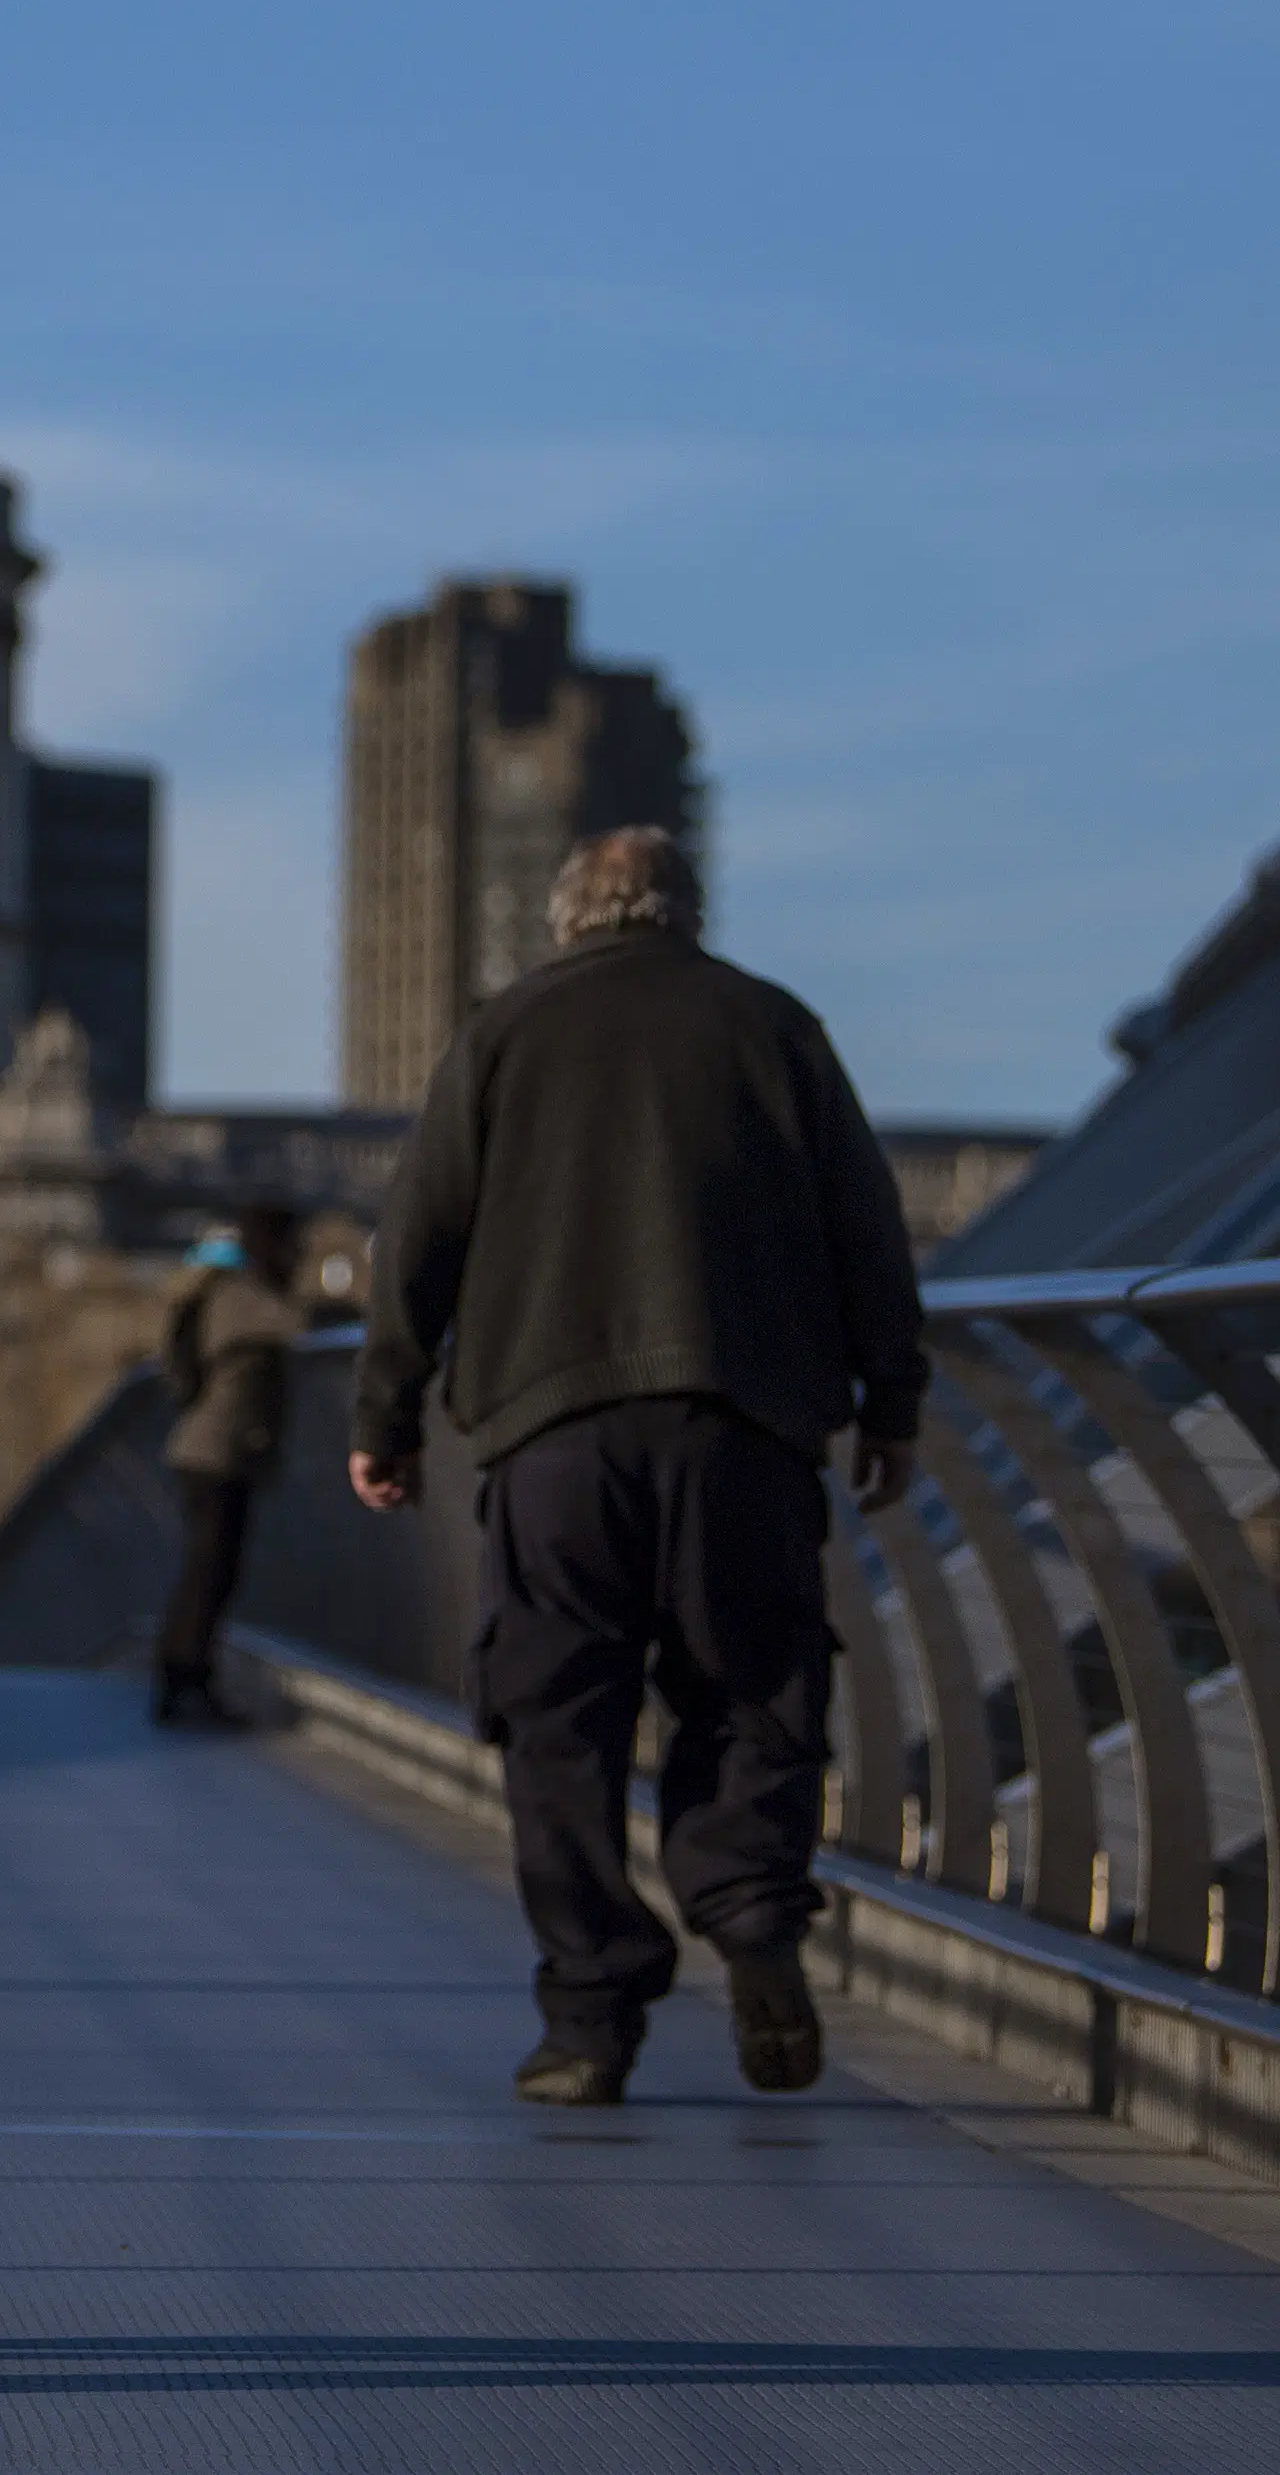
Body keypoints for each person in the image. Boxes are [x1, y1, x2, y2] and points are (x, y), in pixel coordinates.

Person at [345, 823, 923, 2110]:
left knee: (557, 1720)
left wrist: (383, 1415)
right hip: (745, 1423)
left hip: (554, 1436)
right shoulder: (775, 1026)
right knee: (756, 1686)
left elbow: (417, 1237)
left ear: (566, 915)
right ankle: (756, 1916)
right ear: (686, 910)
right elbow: (864, 1226)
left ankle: (587, 2018)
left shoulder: (500, 1033)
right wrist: (891, 1400)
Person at [150, 1203, 307, 1727]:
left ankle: (187, 1680)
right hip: (214, 1453)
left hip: (216, 1453)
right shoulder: (242, 1295)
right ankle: (183, 1679)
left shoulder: (230, 1290)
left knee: (212, 1572)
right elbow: (294, 1326)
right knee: (210, 1573)